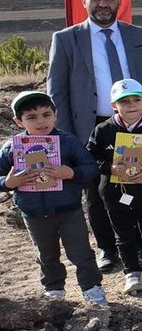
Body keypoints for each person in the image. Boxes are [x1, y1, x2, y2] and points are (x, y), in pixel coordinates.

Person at [47, 0, 142, 273]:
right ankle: (106, 248)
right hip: (93, 127)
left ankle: (140, 247)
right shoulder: (66, 39)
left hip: (138, 124)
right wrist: (61, 135)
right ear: (84, 1)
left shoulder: (138, 35)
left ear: (119, 1)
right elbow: (57, 90)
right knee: (98, 189)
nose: (103, 3)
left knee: (140, 183)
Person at [0, 91, 106, 305]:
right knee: (46, 255)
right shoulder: (12, 147)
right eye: (31, 117)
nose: (41, 121)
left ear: (55, 115)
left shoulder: (67, 142)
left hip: (69, 211)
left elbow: (90, 167)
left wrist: (71, 173)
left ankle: (91, 287)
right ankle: (54, 289)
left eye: (46, 115)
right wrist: (8, 183)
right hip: (33, 214)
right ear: (18, 121)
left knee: (81, 253)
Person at [86, 79, 142, 293]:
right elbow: (90, 156)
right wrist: (110, 168)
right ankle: (132, 272)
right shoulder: (103, 129)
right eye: (124, 101)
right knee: (123, 235)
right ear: (113, 105)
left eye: (136, 99)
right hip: (114, 192)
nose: (131, 105)